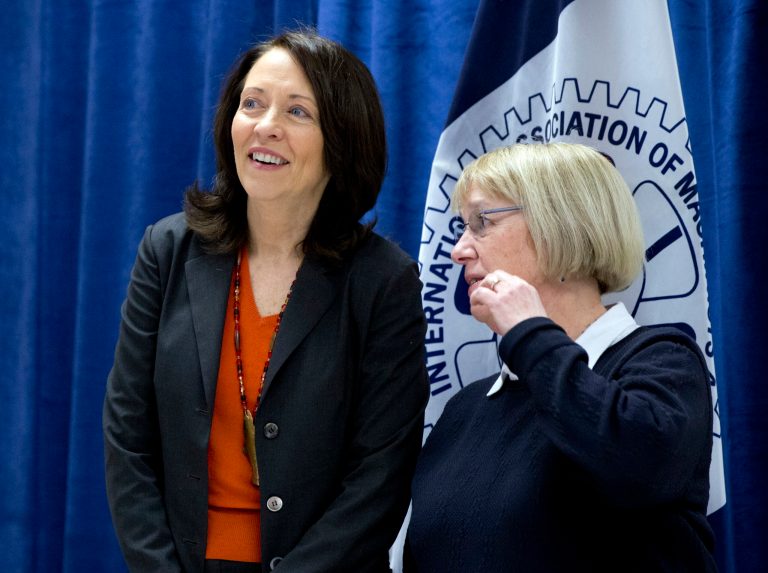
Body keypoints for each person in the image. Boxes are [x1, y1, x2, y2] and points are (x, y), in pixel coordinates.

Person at [103, 29, 429, 573]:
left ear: (342, 142)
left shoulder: (383, 282)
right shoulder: (168, 249)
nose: (266, 126)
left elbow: (381, 473)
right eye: (252, 103)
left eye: (298, 112)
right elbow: (126, 435)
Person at [404, 142, 717, 572]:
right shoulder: (466, 409)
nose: (459, 250)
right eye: (462, 226)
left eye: (481, 222)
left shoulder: (663, 363)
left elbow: (637, 468)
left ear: (560, 224)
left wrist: (530, 334)